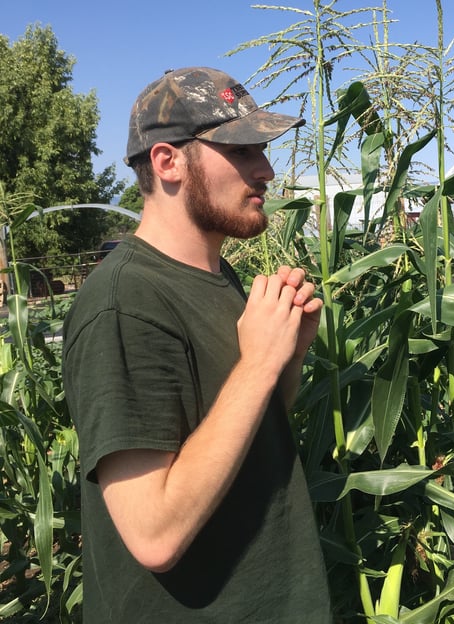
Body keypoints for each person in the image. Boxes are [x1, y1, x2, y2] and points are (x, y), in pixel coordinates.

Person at [62, 67, 333, 623]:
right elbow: (154, 535)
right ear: (168, 162)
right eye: (241, 150)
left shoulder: (217, 276)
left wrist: (287, 354)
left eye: (262, 149)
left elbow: (252, 430)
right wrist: (258, 363)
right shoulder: (124, 305)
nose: (266, 170)